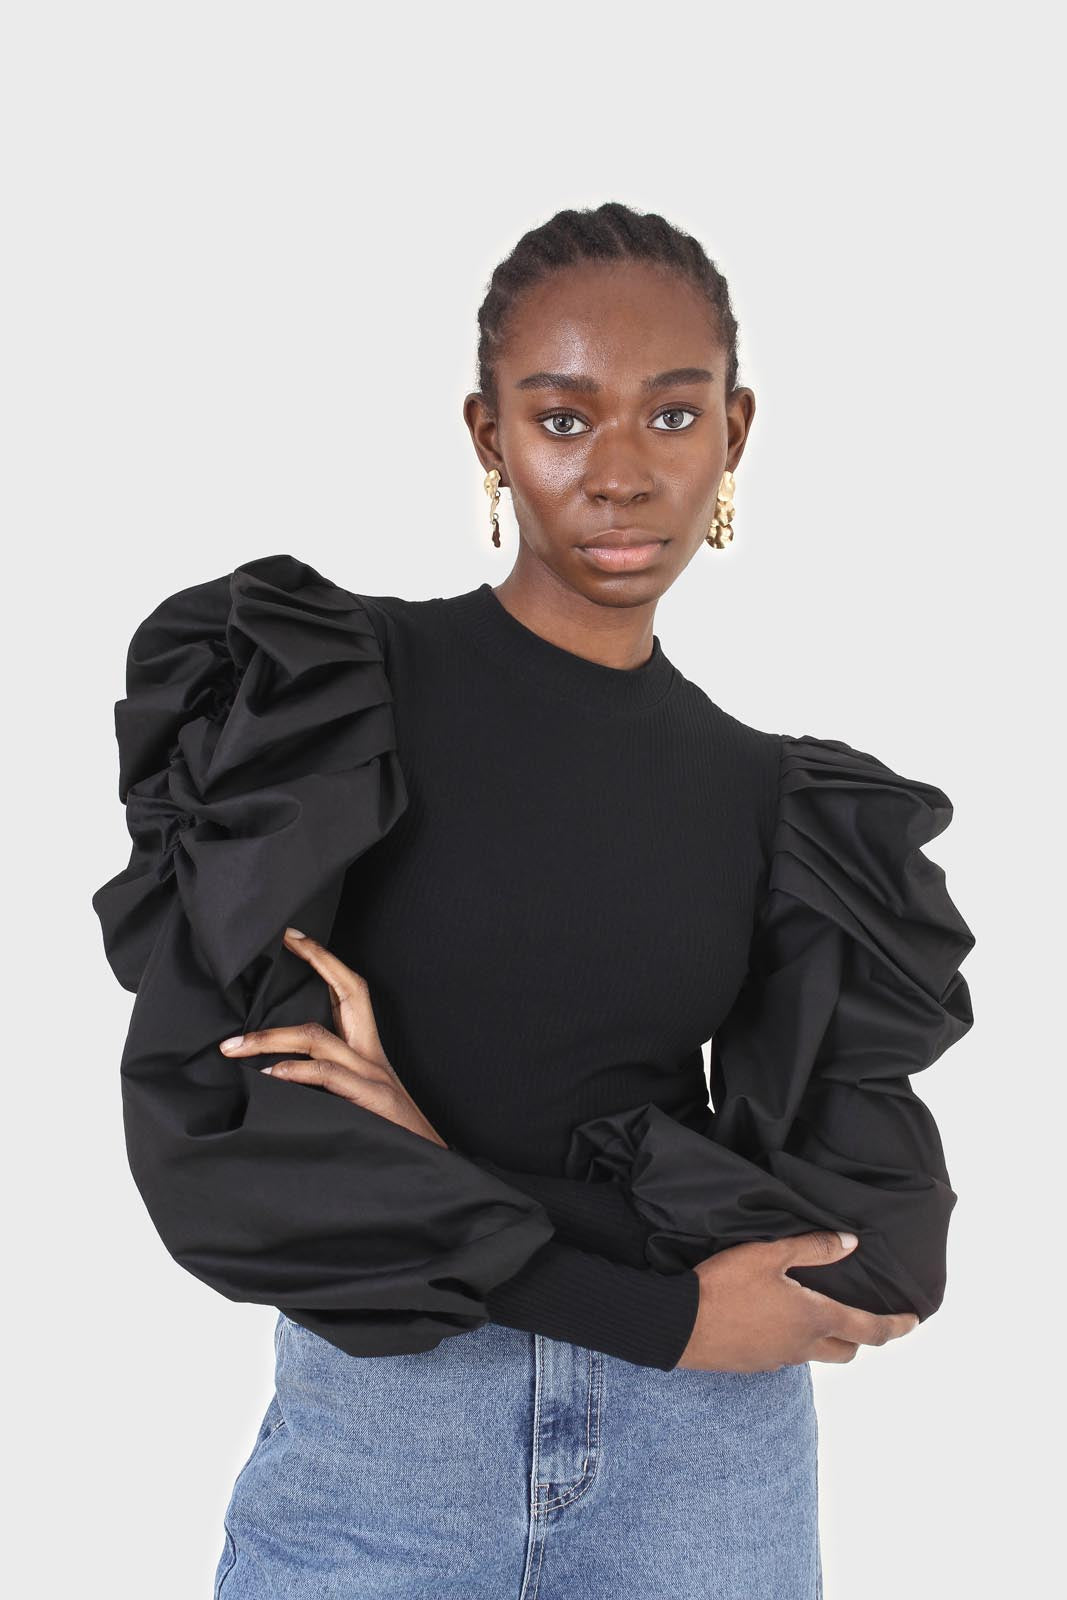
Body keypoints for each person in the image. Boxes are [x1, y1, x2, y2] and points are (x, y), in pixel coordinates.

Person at [92, 201, 975, 1599]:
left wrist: (434, 1164)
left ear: (735, 434)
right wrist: (655, 1303)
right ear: (487, 435)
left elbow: (868, 1259)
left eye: (672, 417)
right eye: (563, 419)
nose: (620, 474)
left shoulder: (787, 806)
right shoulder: (322, 700)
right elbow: (224, 1145)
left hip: (703, 1475)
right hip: (393, 1452)